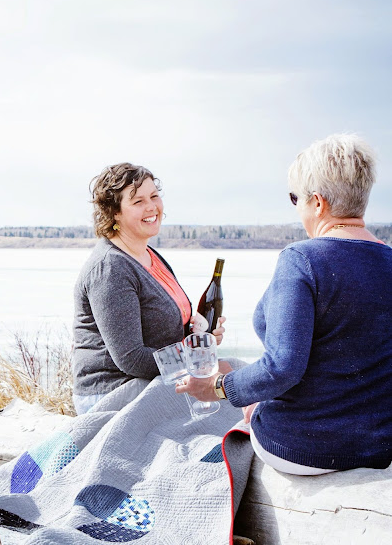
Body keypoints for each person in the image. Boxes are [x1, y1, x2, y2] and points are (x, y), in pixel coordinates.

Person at [177, 133, 392, 474]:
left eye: (296, 198)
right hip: (380, 446)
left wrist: (218, 387)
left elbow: (282, 368)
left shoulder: (302, 260)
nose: (297, 208)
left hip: (305, 448)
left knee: (249, 411)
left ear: (318, 203)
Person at [73, 163, 225, 415]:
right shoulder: (110, 268)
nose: (152, 206)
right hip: (113, 392)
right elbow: (132, 359)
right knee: (228, 396)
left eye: (154, 196)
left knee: (236, 377)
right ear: (114, 212)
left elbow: (166, 334)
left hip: (157, 379)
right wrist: (196, 360)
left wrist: (200, 338)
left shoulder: (149, 255)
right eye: (138, 201)